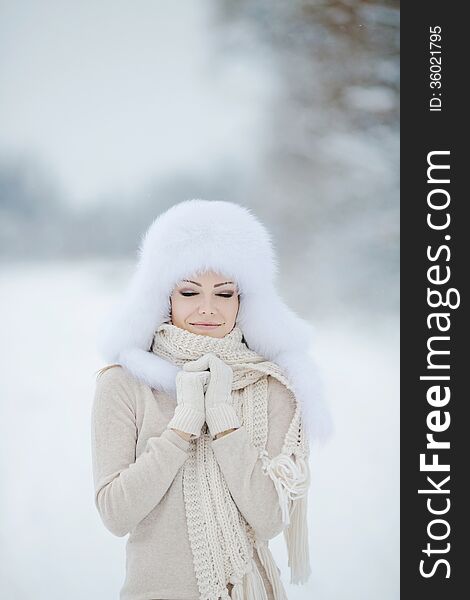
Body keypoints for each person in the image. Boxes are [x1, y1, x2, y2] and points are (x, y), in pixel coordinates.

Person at [91, 199, 332, 600]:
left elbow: (270, 518)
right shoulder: (124, 385)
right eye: (189, 291)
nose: (208, 308)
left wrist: (222, 419)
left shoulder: (274, 386)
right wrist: (182, 426)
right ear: (164, 298)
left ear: (244, 300)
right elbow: (116, 514)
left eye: (224, 293)